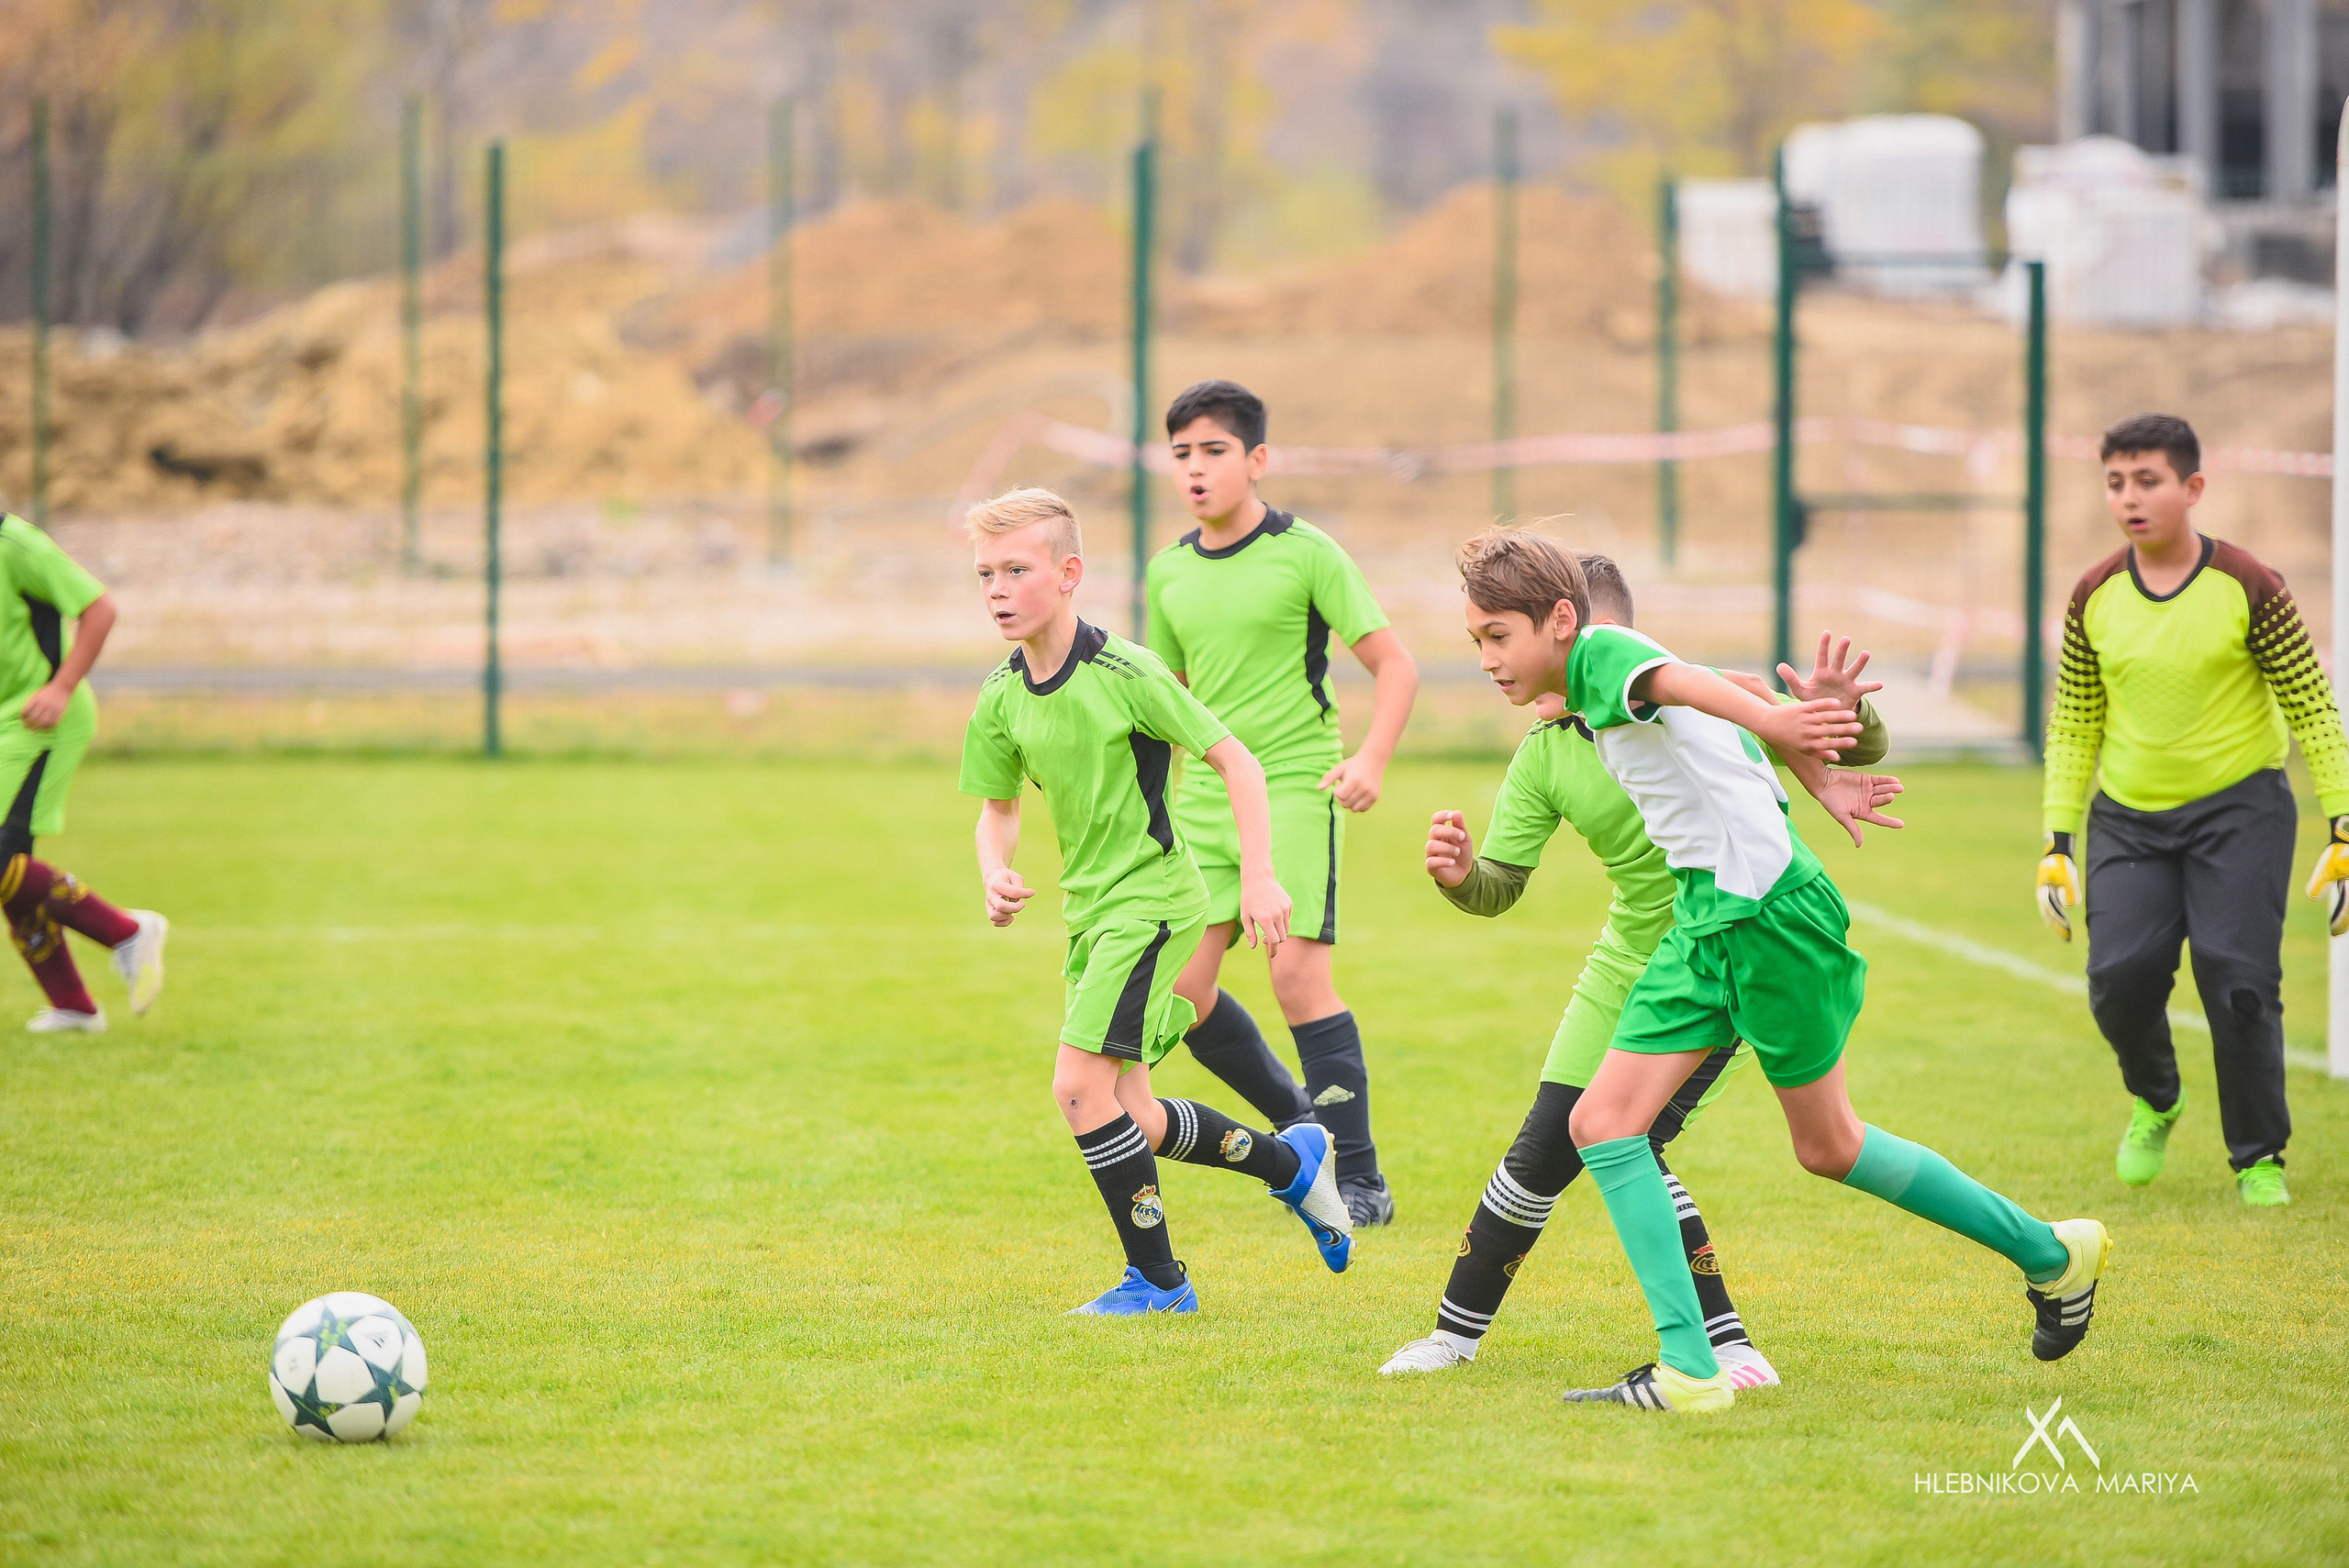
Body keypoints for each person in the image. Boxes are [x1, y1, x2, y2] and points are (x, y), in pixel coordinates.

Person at [1454, 527, 2110, 1413]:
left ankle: (2051, 1252)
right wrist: (1807, 766)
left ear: (1561, 621)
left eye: (1498, 636)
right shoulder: (1584, 696)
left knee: (1827, 1145)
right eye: (1477, 640)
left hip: (1768, 921)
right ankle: (1690, 1369)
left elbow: (1690, 685)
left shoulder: (1605, 652)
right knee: (1604, 1124)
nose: (1487, 658)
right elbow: (1719, 701)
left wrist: (1778, 726)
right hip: (1708, 920)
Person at [1380, 554, 1887, 1385]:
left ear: (1583, 633)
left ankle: (1718, 1347)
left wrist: (1848, 715)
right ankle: (1453, 1336)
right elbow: (1499, 887)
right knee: (1544, 1149)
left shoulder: (1682, 694)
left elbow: (1819, 731)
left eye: (1508, 641)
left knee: (1635, 1139)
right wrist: (1461, 875)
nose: (1506, 670)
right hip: (1625, 963)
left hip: (1718, 951)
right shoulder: (1544, 752)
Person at [959, 487, 1355, 1316]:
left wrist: (1258, 875)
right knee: (1130, 1114)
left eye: (1017, 569)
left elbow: (1236, 760)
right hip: (1093, 912)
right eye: (986, 572)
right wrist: (995, 870)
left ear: (1068, 574)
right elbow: (997, 810)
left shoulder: (1125, 671)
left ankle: (1161, 1284)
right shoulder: (1000, 697)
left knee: (1077, 1087)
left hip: (1155, 902)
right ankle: (1293, 1164)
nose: (997, 588)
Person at [2037, 414, 2349, 1208]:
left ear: (2192, 488)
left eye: (2148, 481)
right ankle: (2158, 1095)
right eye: (2116, 482)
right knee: (2118, 980)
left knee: (2238, 979)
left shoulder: (2251, 586)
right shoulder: (2093, 596)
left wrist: (2345, 824)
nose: (2130, 498)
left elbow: (2313, 709)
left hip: (2240, 809)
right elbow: (2074, 720)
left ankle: (2258, 1157)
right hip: (2130, 818)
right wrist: (2058, 840)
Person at [1144, 380, 1420, 1228]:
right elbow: (1166, 701)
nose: (1196, 469)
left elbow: (1396, 664)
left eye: (1214, 450)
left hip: (1298, 788)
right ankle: (1305, 1130)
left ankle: (1361, 1177)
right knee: (1182, 996)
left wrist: (1370, 758)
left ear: (1257, 460)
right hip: (1203, 807)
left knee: (1296, 974)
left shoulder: (1308, 553)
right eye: (1183, 452)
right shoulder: (1167, 572)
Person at [0, 512, 165, 1033]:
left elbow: (100, 607)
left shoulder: (15, 543)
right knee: (9, 867)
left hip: (42, 719)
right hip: (7, 721)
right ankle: (74, 1006)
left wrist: (61, 688)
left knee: (2, 859)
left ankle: (126, 932)